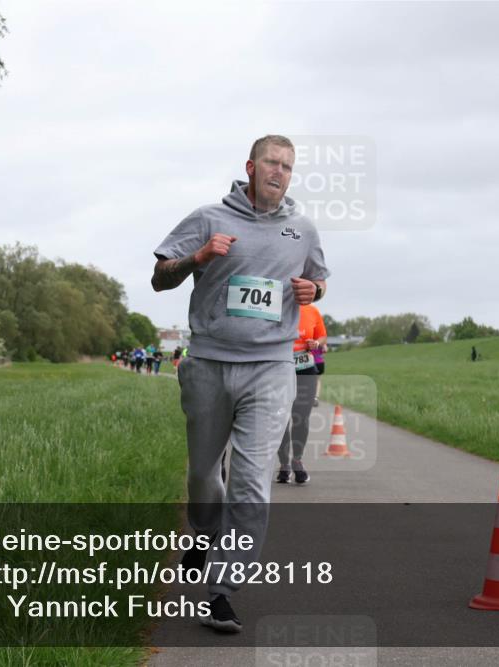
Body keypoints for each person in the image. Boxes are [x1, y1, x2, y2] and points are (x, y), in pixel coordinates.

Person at [151, 134, 329, 633]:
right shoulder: (209, 218)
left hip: (272, 368)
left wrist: (314, 289)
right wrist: (199, 258)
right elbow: (160, 277)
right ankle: (205, 534)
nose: (280, 172)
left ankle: (222, 591)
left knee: (251, 483)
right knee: (204, 475)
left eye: (288, 167)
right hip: (208, 363)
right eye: (272, 163)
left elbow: (320, 281)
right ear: (250, 167)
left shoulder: (303, 229)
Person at [277, 303, 327, 485]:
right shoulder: (277, 305)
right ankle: (283, 465)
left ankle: (297, 460)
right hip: (279, 369)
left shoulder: (312, 310)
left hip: (305, 369)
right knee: (281, 419)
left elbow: (322, 336)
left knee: (301, 417)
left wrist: (316, 343)